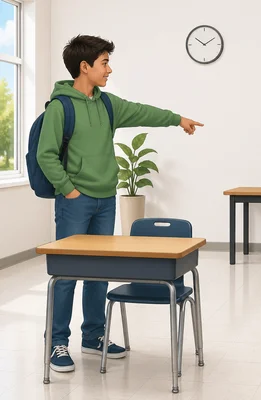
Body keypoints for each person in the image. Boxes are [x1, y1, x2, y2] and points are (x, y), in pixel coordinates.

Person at [37, 34, 203, 373]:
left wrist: (177, 118)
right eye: (104, 63)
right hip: (75, 202)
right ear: (84, 67)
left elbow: (142, 111)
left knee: (99, 272)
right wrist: (69, 190)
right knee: (66, 274)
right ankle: (56, 343)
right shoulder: (60, 107)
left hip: (105, 200)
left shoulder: (107, 104)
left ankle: (94, 336)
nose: (109, 69)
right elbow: (46, 155)